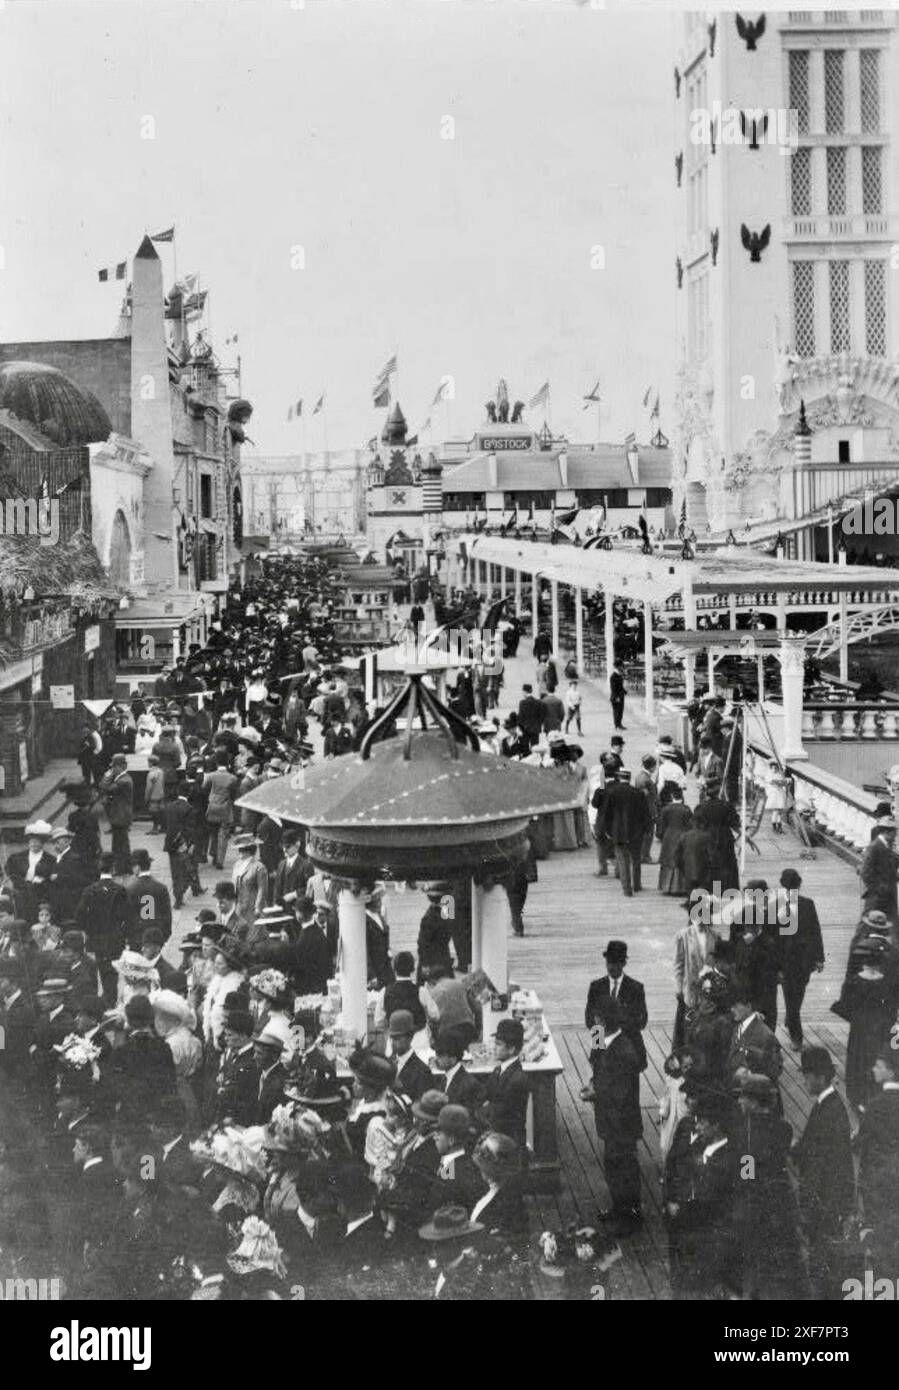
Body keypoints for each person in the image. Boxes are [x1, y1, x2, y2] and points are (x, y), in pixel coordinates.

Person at [792, 1045, 856, 1300]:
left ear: (819, 1076)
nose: (805, 1081)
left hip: (825, 1205)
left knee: (824, 1268)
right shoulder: (829, 1105)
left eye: (807, 1075)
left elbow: (822, 1163)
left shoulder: (828, 1110)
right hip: (829, 1203)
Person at [590, 998, 643, 1237]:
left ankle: (630, 1215)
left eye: (597, 1018)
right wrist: (593, 1083)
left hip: (622, 1122)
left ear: (605, 1020)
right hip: (609, 1120)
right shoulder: (601, 1036)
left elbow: (620, 1093)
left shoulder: (625, 1051)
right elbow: (596, 1063)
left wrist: (595, 1093)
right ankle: (617, 1208)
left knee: (624, 1167)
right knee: (612, 1164)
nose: (594, 1022)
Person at [856, 1046, 899, 1268]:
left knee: (882, 1230)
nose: (874, 1068)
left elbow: (863, 1142)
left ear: (891, 1072)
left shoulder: (874, 1105)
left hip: (880, 1177)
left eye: (879, 1066)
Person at [777, 869, 825, 1049]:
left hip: (804, 962)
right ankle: (797, 1037)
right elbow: (776, 937)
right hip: (786, 962)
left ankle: (790, 1018)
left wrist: (819, 958)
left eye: (793, 888)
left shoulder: (807, 904)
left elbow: (815, 930)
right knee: (791, 999)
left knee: (797, 997)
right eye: (789, 888)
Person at [584, 940, 648, 1073]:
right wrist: (599, 1045)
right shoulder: (596, 987)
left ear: (623, 963)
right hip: (601, 1044)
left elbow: (642, 1021)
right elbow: (589, 1018)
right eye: (608, 962)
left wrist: (615, 1026)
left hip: (629, 1049)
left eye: (615, 963)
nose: (611, 967)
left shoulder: (636, 988)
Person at [73, 853, 129, 1004]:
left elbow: (79, 915)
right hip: (114, 939)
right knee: (112, 975)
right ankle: (110, 1002)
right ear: (113, 869)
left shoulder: (90, 890)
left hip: (96, 939)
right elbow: (125, 915)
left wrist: (88, 929)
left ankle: (101, 1002)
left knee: (97, 972)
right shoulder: (120, 890)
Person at [600, 769, 652, 896]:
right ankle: (637, 884)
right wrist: (647, 829)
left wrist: (607, 831)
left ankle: (626, 888)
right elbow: (646, 813)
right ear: (629, 778)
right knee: (636, 859)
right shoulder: (638, 793)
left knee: (623, 860)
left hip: (618, 832)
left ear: (619, 778)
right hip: (636, 832)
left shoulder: (612, 793)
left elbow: (606, 814)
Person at [481, 1018, 530, 1153]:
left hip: (508, 1145)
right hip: (498, 1136)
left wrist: (485, 1107)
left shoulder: (517, 1080)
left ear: (511, 1049)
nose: (493, 1047)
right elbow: (485, 1094)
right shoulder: (499, 1070)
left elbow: (498, 1114)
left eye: (498, 1044)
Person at [124, 849, 172, 944]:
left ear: (137, 867)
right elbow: (167, 916)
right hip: (156, 937)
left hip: (137, 938)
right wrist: (165, 936)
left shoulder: (130, 889)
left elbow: (127, 916)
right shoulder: (161, 888)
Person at [386, 1009, 433, 1102]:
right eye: (392, 1038)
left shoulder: (422, 1071)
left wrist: (400, 1089)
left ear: (410, 1037)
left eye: (397, 1038)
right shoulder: (387, 1063)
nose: (393, 1043)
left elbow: (420, 1108)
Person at [204, 756, 240, 872]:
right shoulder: (232, 778)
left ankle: (214, 854)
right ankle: (220, 860)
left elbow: (204, 788)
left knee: (213, 832)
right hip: (226, 807)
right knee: (223, 834)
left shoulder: (211, 776)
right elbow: (234, 794)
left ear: (216, 763)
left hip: (213, 806)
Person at [859, 821, 899, 924]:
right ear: (887, 832)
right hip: (877, 895)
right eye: (895, 833)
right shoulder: (875, 847)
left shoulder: (887, 846)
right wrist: (878, 889)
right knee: (867, 923)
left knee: (891, 923)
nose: (896, 836)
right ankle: (861, 941)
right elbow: (865, 872)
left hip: (887, 894)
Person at [100, 754, 134, 875]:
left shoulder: (123, 780)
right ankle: (126, 867)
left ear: (120, 767)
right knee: (121, 843)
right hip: (120, 815)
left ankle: (120, 868)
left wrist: (107, 776)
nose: (112, 769)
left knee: (119, 844)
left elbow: (105, 788)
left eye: (114, 767)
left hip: (120, 816)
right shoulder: (122, 778)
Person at [657, 787, 692, 895]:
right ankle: (681, 887)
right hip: (683, 835)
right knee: (681, 860)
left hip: (669, 836)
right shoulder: (687, 809)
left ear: (672, 797)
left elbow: (661, 826)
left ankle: (666, 886)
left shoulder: (666, 809)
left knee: (668, 860)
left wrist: (661, 835)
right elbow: (691, 825)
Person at [609, 660, 626, 731]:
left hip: (621, 695)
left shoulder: (619, 674)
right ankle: (617, 725)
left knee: (621, 710)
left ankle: (620, 724)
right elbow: (613, 688)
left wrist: (624, 691)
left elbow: (620, 685)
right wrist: (617, 697)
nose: (622, 667)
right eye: (621, 666)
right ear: (618, 666)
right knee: (616, 711)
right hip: (616, 696)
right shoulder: (613, 676)